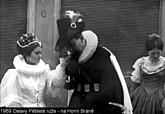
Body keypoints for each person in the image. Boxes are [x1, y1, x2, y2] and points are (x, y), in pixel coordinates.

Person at [55, 10, 132, 114]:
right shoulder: (72, 59)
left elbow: (113, 85)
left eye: (72, 44)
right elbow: (65, 84)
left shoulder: (102, 55)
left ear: (81, 38)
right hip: (78, 104)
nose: (70, 49)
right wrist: (64, 65)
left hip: (100, 105)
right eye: (68, 46)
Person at [0, 33, 69, 107]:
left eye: (40, 53)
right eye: (37, 53)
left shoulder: (44, 71)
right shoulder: (14, 74)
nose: (40, 56)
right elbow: (12, 100)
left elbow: (57, 82)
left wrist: (63, 65)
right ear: (26, 54)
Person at [130, 33, 165, 114]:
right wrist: (130, 97)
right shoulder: (141, 62)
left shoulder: (164, 63)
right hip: (141, 96)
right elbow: (135, 82)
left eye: (158, 53)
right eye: (153, 53)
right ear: (147, 51)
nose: (156, 56)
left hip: (159, 97)